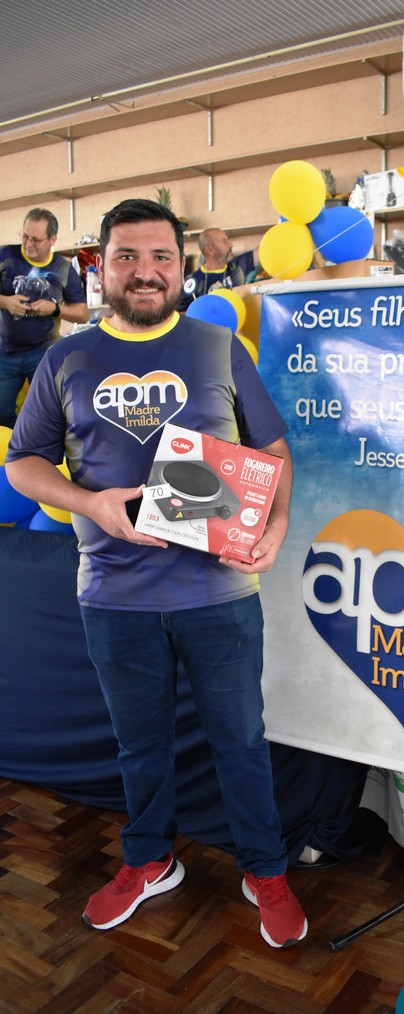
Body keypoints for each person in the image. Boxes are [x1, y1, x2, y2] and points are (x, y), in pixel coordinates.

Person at [5, 198, 307, 948]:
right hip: (113, 594)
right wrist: (88, 503)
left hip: (218, 592)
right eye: (127, 258)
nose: (145, 272)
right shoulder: (66, 358)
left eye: (160, 257)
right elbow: (23, 462)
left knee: (240, 740)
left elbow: (271, 452)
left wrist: (274, 527)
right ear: (100, 269)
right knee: (139, 744)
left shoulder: (218, 347)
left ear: (181, 266)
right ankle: (149, 859)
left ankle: (265, 869)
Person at [0, 208, 88, 427]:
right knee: (2, 414)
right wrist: (6, 302)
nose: (28, 244)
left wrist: (54, 308)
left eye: (36, 240)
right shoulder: (5, 256)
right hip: (4, 352)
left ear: (52, 239)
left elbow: (82, 313)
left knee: (49, 413)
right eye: (25, 237)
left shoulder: (63, 269)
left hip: (43, 353)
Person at [178, 227, 254, 312]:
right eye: (225, 241)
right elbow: (179, 313)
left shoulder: (237, 268)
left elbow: (261, 252)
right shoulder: (192, 281)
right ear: (210, 250)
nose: (231, 245)